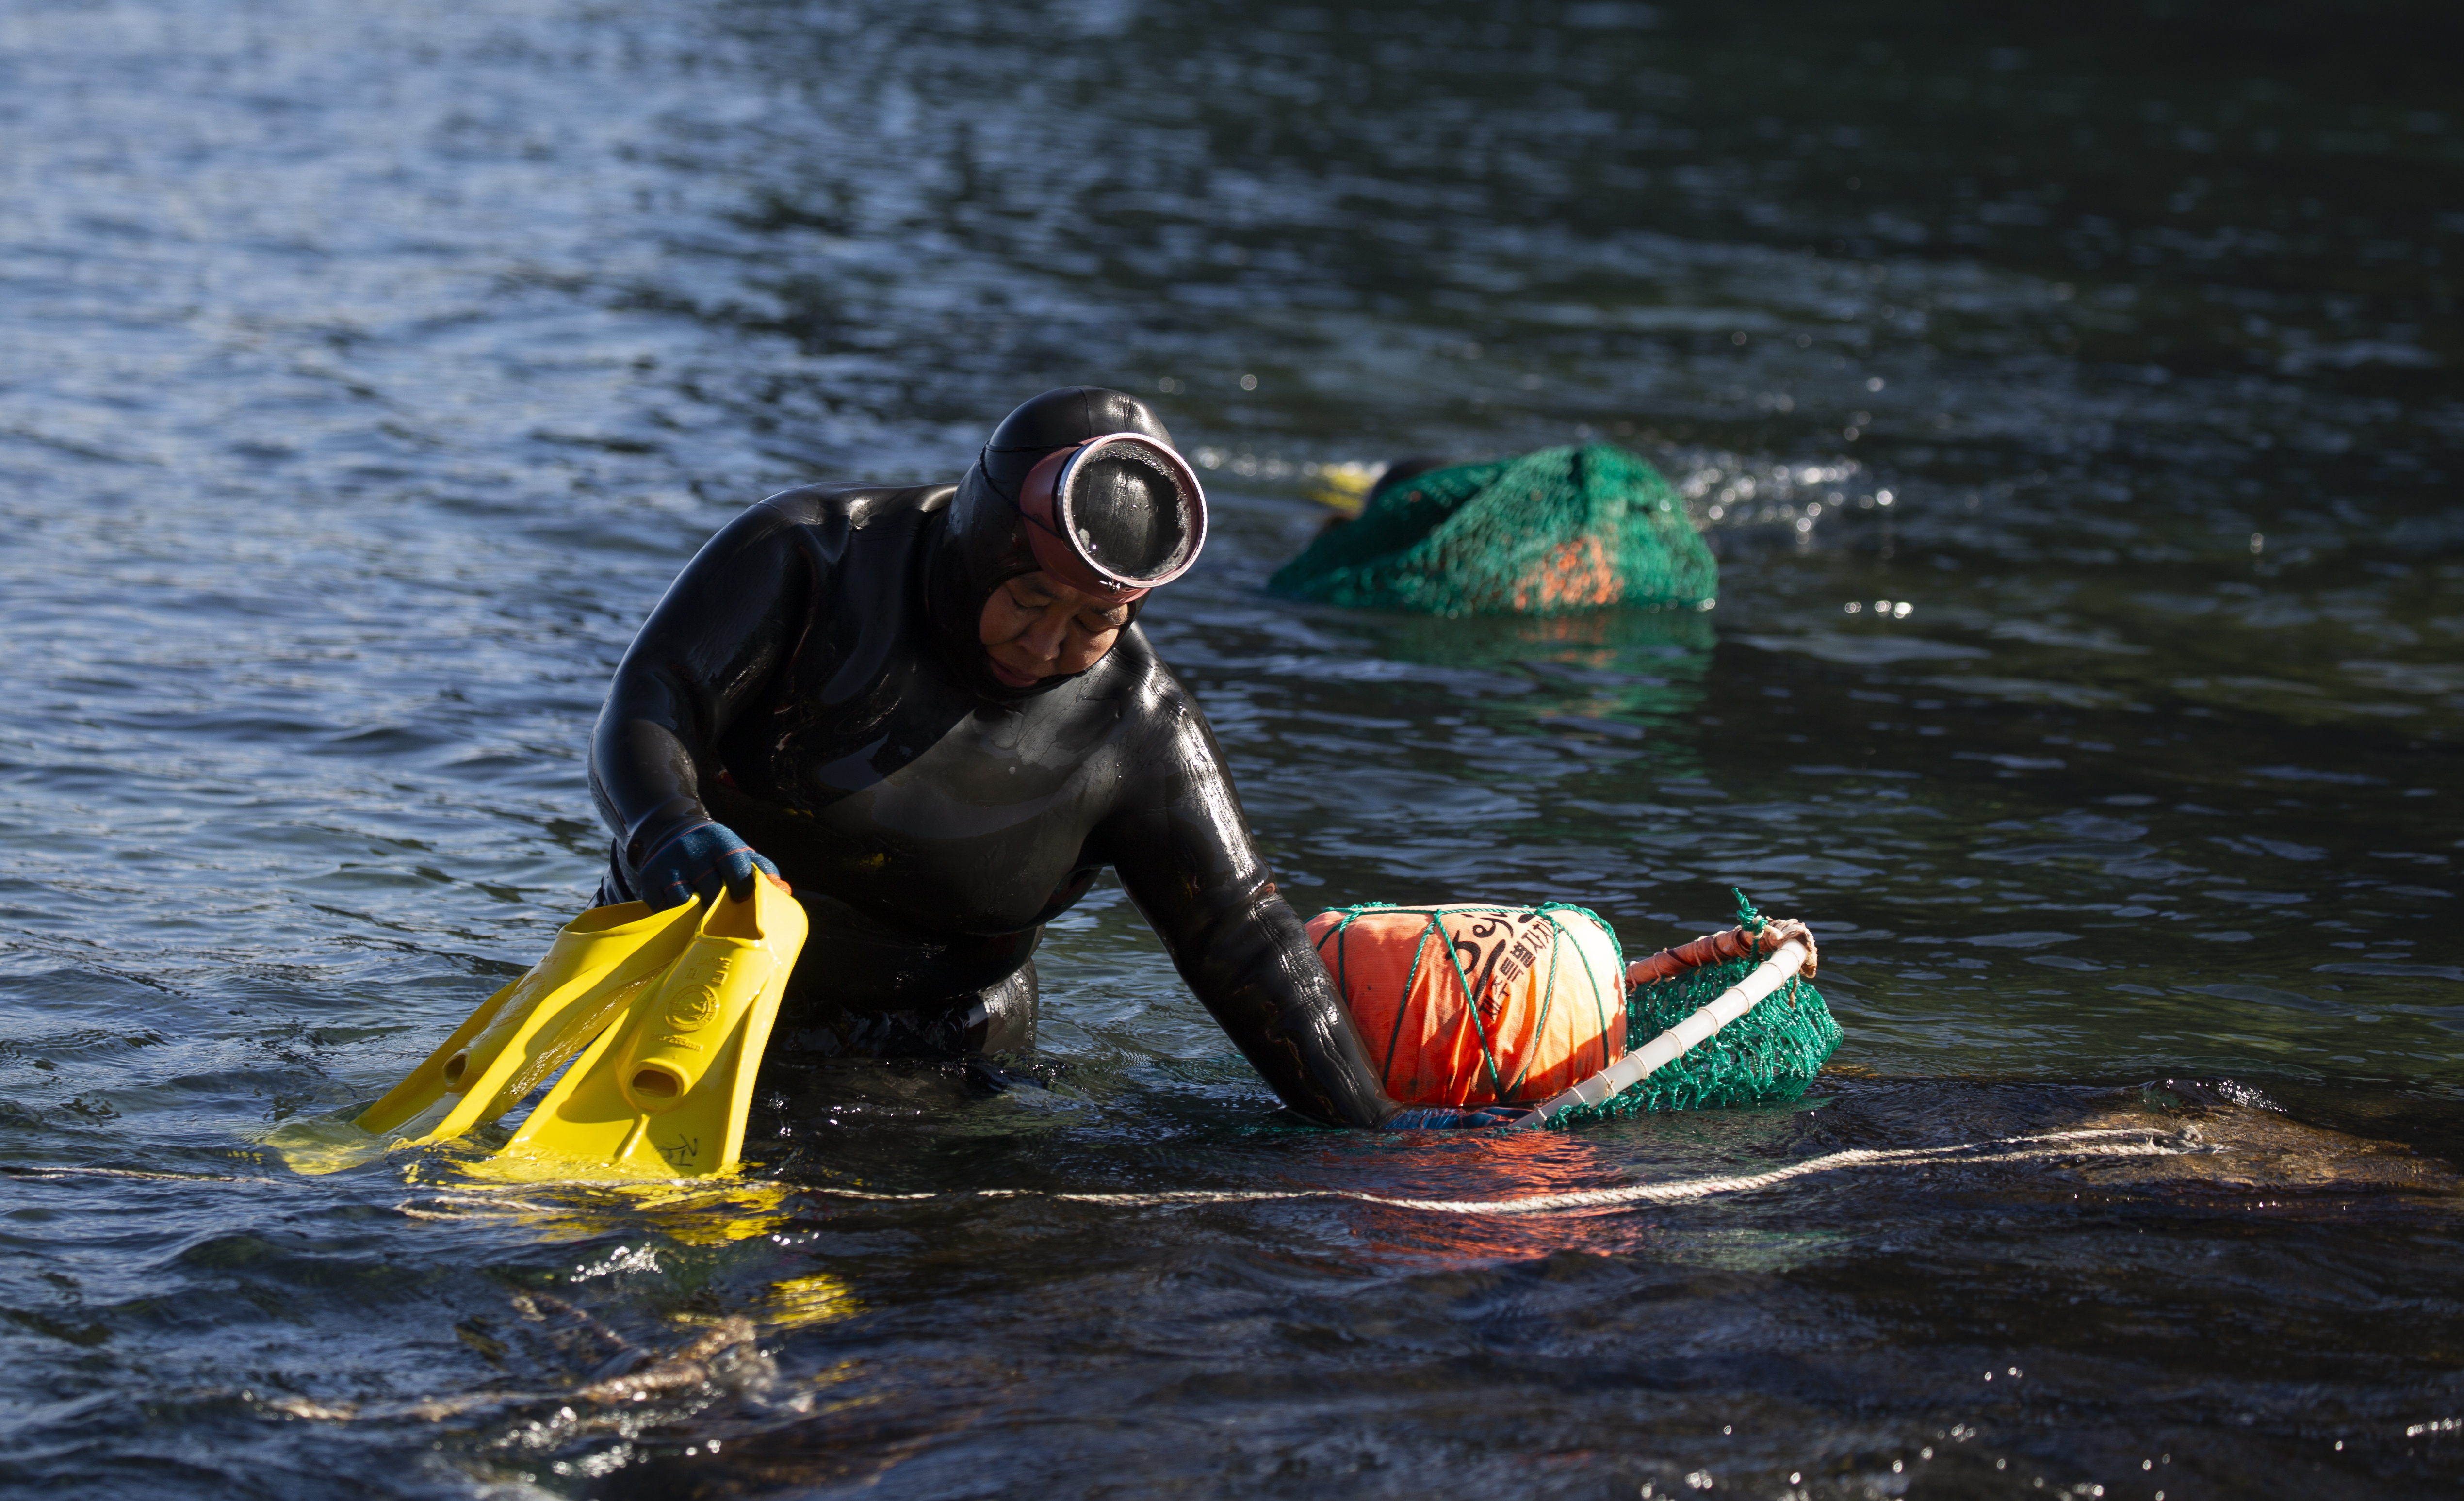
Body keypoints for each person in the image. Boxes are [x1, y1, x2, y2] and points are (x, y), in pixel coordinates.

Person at [587, 386, 1522, 1129]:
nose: (1046, 645)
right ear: (979, 544)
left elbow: (1241, 933)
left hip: (935, 1055)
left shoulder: (1137, 724)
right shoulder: (811, 558)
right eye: (1030, 601)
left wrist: (1372, 1129)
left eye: (1093, 622)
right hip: (685, 985)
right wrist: (669, 828)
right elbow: (652, 706)